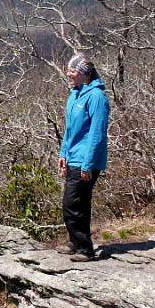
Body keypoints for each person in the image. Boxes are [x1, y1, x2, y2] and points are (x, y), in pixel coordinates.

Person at [57, 54, 109, 261]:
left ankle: (85, 249)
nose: (69, 74)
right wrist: (63, 153)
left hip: (86, 161)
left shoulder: (96, 97)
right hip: (74, 157)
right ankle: (76, 241)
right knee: (78, 203)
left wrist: (88, 164)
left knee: (72, 204)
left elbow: (97, 133)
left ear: (84, 73)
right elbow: (71, 129)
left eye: (72, 71)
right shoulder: (76, 95)